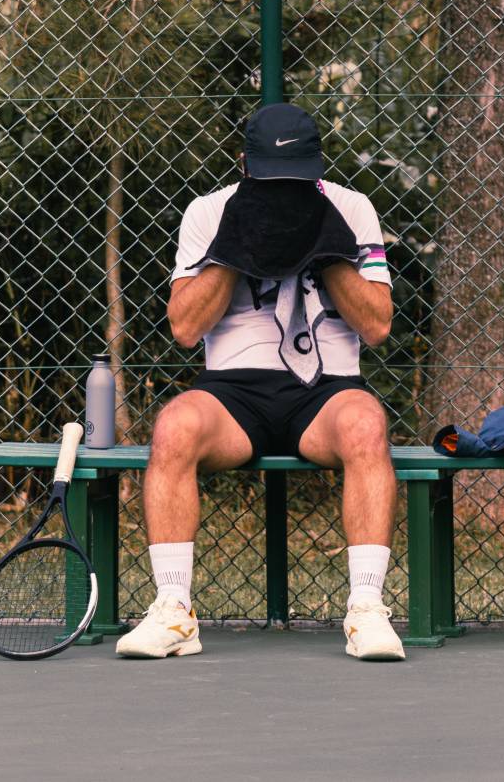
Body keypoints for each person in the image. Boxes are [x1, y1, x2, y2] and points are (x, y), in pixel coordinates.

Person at [116, 103, 404, 661]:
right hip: (234, 389)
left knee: (367, 423)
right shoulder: (208, 211)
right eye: (275, 182)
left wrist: (327, 248)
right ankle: (174, 612)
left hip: (327, 386)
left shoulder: (350, 207)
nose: (287, 191)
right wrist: (234, 247)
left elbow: (377, 326)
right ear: (245, 166)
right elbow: (183, 327)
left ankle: (366, 610)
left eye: (299, 179)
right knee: (174, 424)